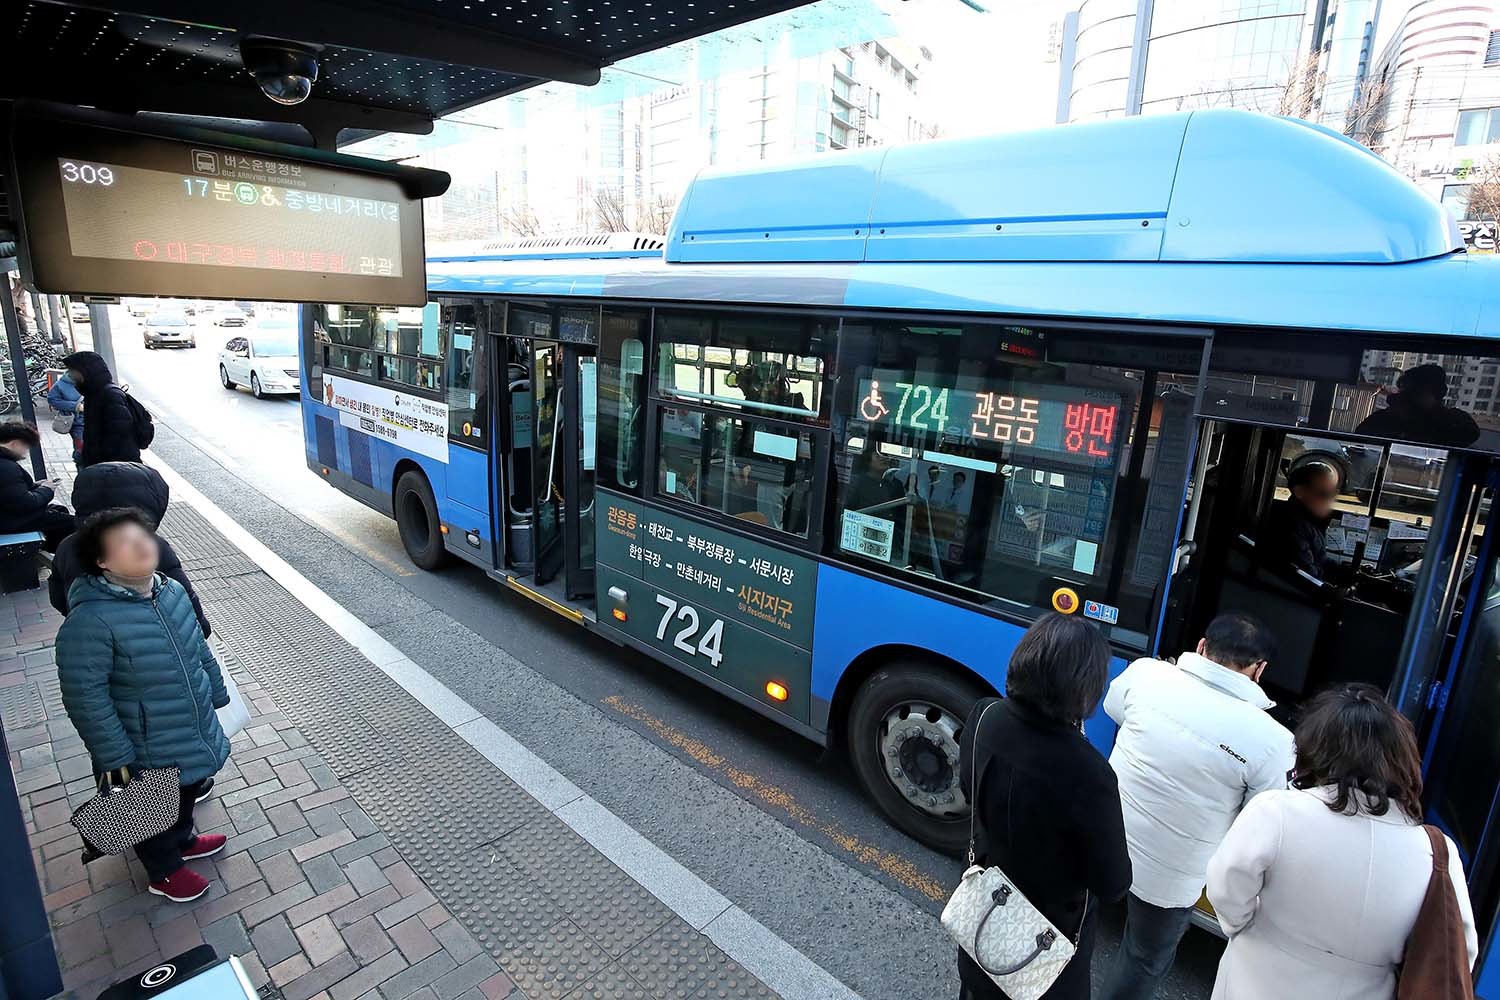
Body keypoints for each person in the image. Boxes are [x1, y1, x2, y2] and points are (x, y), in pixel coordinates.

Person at [1206, 684, 1477, 999]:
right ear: (1403, 761)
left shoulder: (1277, 811)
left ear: (1314, 748)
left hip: (1258, 977)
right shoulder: (1437, 851)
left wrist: (1249, 927)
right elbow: (1460, 947)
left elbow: (1225, 888)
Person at [1098, 613, 1294, 1000]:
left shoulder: (1146, 674)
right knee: (1143, 957)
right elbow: (1260, 815)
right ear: (1259, 670)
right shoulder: (1275, 742)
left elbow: (1112, 709)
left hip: (1103, 839)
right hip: (1173, 878)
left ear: (1202, 647)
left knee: (1074, 923)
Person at [56, 508, 230, 903]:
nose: (141, 546)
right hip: (142, 740)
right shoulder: (90, 621)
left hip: (188, 721)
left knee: (186, 787)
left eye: (143, 537)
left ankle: (183, 840)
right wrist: (114, 753)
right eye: (125, 543)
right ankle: (163, 872)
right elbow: (85, 697)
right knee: (148, 804)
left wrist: (216, 693)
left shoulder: (170, 591)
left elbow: (199, 648)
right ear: (102, 562)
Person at [957, 614, 1132, 1000]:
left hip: (984, 920)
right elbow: (1113, 883)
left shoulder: (984, 714)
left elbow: (969, 791)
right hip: (1042, 949)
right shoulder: (1089, 773)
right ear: (1086, 687)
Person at [48, 461, 211, 638]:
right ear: (148, 503)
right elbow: (184, 599)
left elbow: (57, 593)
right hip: (154, 643)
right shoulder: (152, 546)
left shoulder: (67, 545)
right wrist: (202, 628)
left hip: (96, 637)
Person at [1356, 364, 1480, 448]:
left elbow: (1470, 433)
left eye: (1420, 391)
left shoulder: (1452, 422)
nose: (1412, 396)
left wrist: (1432, 412)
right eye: (1410, 390)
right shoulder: (1386, 418)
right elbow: (1359, 442)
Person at [1256, 459, 1338, 579]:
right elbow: (1306, 576)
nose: (1330, 500)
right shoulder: (1289, 525)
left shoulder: (1309, 520)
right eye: (1324, 494)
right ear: (1300, 492)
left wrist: (1347, 572)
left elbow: (1321, 559)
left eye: (1333, 493)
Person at [59, 351, 143, 467]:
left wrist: (98, 462)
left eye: (73, 371)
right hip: (102, 464)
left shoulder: (110, 395)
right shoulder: (93, 394)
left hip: (115, 467)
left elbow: (119, 435)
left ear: (86, 371)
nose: (70, 375)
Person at [0, 422, 75, 550]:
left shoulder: (5, 464)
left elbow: (10, 492)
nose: (25, 453)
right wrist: (47, 489)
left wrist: (35, 486)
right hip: (10, 521)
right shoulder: (6, 467)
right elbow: (25, 503)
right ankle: (62, 559)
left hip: (8, 515)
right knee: (74, 524)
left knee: (59, 511)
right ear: (15, 444)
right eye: (26, 447)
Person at [46, 371, 84, 466]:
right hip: (77, 424)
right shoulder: (61, 384)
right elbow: (52, 399)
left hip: (95, 420)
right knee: (81, 450)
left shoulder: (93, 380)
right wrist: (76, 406)